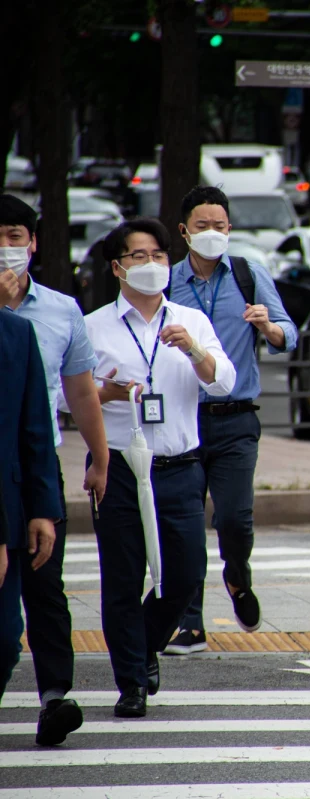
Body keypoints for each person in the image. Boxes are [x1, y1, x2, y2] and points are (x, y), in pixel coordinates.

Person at [86, 218, 236, 718]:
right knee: (124, 577)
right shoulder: (93, 326)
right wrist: (103, 393)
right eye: (137, 256)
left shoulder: (191, 322)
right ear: (117, 267)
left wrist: (194, 352)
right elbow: (68, 401)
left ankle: (144, 645)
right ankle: (130, 682)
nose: (150, 265)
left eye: (157, 256)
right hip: (118, 466)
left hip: (178, 465)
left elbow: (223, 384)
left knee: (186, 572)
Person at [163, 186, 297, 654]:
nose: (212, 234)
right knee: (184, 525)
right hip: (180, 419)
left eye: (220, 226)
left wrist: (267, 326)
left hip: (236, 418)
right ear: (184, 232)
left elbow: (289, 335)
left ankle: (238, 579)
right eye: (202, 226)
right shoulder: (166, 280)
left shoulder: (247, 273)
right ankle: (191, 622)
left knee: (235, 518)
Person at [0, 194, 107, 745]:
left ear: (34, 242)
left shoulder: (61, 310)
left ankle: (54, 697)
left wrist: (100, 455)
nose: (6, 248)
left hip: (34, 467)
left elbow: (80, 391)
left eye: (15, 236)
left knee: (45, 587)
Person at [0, 312, 62, 726]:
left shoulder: (17, 331)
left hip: (7, 509)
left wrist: (42, 509)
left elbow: (35, 426)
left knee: (4, 638)